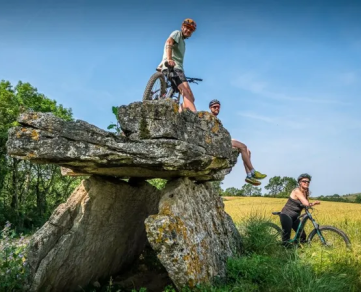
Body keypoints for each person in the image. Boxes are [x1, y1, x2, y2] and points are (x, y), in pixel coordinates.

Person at [208, 99, 267, 186]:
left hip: (222, 139)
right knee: (243, 146)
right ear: (210, 108)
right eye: (214, 107)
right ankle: (253, 171)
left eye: (218, 107)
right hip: (217, 142)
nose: (217, 108)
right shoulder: (208, 117)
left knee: (247, 151)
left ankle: (249, 176)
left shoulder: (216, 119)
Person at [157, 18, 197, 113]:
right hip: (174, 67)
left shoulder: (183, 42)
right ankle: (195, 117)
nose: (188, 30)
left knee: (191, 97)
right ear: (182, 27)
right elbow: (169, 42)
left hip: (179, 69)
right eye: (187, 27)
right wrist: (169, 59)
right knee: (186, 93)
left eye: (191, 30)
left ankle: (179, 113)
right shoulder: (177, 33)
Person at [279, 173, 320, 246]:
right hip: (286, 215)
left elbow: (306, 205)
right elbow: (306, 203)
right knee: (286, 238)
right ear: (300, 182)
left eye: (308, 182)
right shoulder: (297, 191)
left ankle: (298, 248)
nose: (306, 183)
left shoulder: (306, 192)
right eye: (304, 181)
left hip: (295, 217)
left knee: (302, 235)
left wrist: (311, 204)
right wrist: (312, 204)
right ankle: (283, 251)